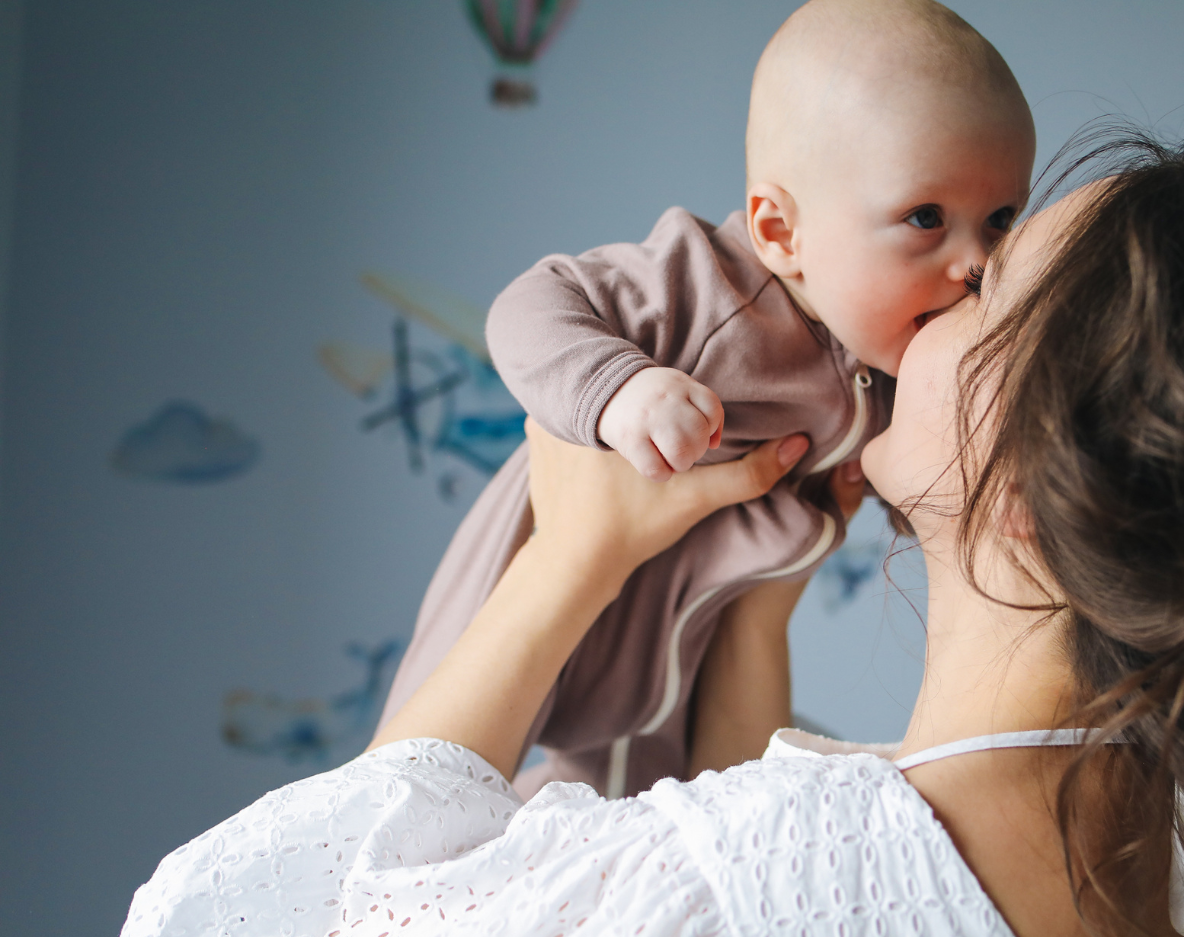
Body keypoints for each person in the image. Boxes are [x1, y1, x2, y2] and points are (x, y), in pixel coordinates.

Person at [117, 131, 1184, 937]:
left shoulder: (752, 888)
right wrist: (755, 614)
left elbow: (262, 934)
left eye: (988, 278)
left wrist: (564, 559)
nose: (927, 296)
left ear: (1028, 487)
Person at [377, 0, 1037, 801]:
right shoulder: (708, 287)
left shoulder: (898, 352)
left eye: (1001, 221)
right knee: (421, 786)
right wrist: (618, 388)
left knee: (636, 814)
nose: (975, 262)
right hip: (545, 566)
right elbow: (530, 304)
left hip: (683, 636)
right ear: (780, 231)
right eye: (926, 218)